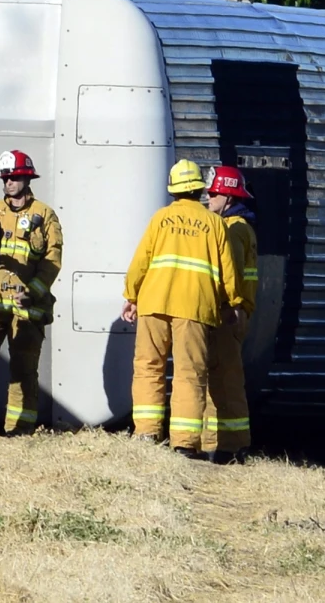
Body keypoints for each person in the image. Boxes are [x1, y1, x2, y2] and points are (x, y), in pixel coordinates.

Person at [123, 159, 242, 458]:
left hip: (153, 302)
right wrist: (234, 304)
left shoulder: (160, 219)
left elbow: (140, 262)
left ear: (174, 190)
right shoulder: (214, 223)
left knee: (149, 366)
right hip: (194, 306)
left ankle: (147, 433)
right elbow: (229, 271)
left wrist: (131, 296)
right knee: (189, 372)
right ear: (200, 190)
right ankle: (185, 444)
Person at [0, 150, 63, 437]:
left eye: (15, 177)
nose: (9, 182)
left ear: (27, 178)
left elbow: (52, 261)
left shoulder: (44, 215)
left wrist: (32, 292)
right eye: (6, 177)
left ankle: (18, 432)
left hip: (25, 306)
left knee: (23, 372)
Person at [201, 165, 259, 465]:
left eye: (212, 194)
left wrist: (230, 306)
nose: (208, 199)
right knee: (222, 379)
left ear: (226, 195)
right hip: (233, 313)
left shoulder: (232, 228)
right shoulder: (239, 226)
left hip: (227, 314)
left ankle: (230, 447)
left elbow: (231, 275)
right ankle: (224, 445)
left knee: (224, 380)